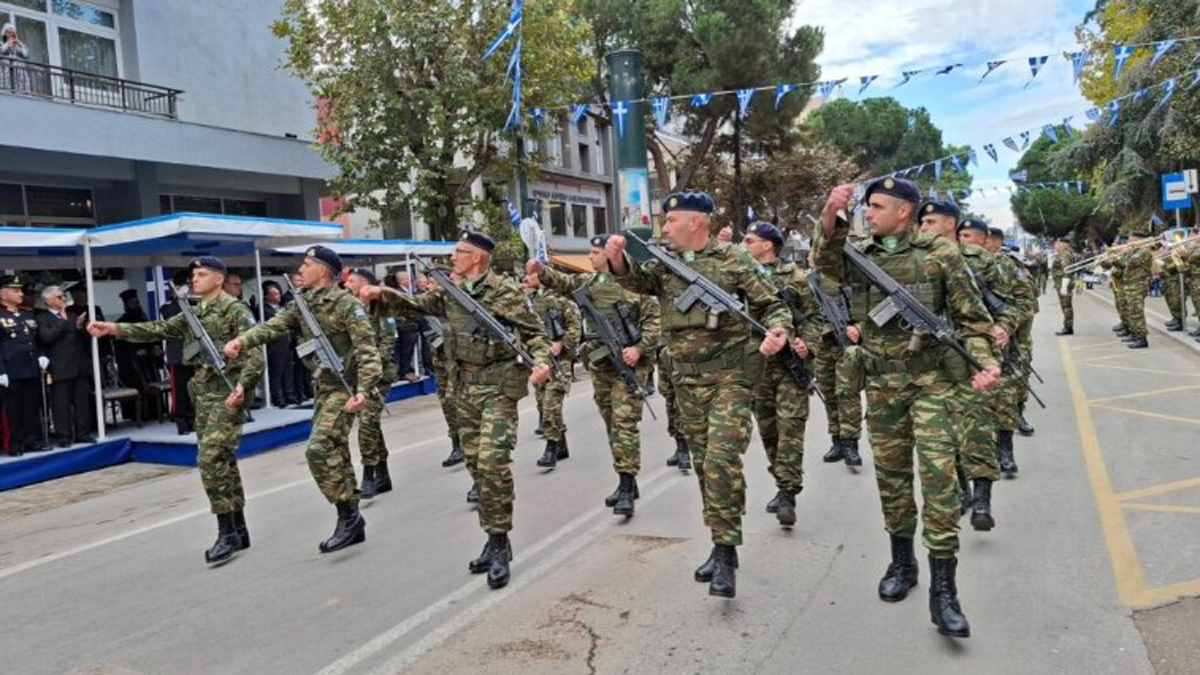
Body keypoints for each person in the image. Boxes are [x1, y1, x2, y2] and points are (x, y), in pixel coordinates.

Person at [814, 178, 1000, 638]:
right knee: (893, 480)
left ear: (904, 212)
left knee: (938, 483)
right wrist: (829, 213)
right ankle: (902, 563)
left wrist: (987, 362)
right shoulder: (859, 254)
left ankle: (944, 592)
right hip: (881, 387)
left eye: (877, 207)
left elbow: (974, 320)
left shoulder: (941, 254)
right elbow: (824, 264)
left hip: (933, 383)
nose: (869, 213)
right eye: (866, 207)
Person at [604, 192, 791, 598]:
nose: (664, 227)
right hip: (687, 383)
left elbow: (771, 303)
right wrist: (617, 257)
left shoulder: (734, 260)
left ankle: (725, 553)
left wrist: (779, 330)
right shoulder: (665, 265)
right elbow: (633, 278)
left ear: (696, 223)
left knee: (722, 461)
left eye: (670, 220)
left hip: (730, 379)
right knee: (706, 465)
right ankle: (721, 538)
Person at [360, 230, 552, 590]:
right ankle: (495, 536)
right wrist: (382, 294)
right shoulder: (451, 291)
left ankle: (498, 544)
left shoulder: (505, 292)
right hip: (463, 387)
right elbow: (415, 306)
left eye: (459, 252)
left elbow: (535, 334)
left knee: (494, 462)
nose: (452, 258)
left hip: (497, 387)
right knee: (476, 464)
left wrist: (541, 362)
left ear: (477, 257)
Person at [89, 257, 264, 564]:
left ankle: (225, 532)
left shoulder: (236, 310)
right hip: (203, 395)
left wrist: (244, 386)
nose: (194, 279)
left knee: (209, 458)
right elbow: (157, 328)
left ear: (219, 279)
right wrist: (114, 328)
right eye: (193, 275)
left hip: (228, 394)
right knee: (222, 460)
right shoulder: (194, 312)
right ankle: (238, 528)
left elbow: (255, 354)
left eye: (201, 274)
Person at [225, 246, 381, 554]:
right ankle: (351, 519)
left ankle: (348, 515)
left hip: (345, 388)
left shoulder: (348, 305)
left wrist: (363, 390)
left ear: (323, 271)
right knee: (335, 449)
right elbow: (274, 326)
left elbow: (368, 352)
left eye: (307, 265)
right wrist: (243, 340)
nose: (301, 270)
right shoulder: (303, 303)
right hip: (322, 387)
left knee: (318, 449)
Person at [530, 234, 661, 515]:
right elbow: (563, 283)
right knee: (611, 421)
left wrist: (639, 349)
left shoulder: (633, 285)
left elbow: (653, 323)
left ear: (608, 256)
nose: (590, 256)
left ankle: (627, 484)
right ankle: (626, 479)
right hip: (601, 365)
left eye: (595, 252)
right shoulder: (587, 283)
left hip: (628, 364)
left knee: (624, 423)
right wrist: (542, 271)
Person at [742, 221, 822, 528]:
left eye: (749, 241)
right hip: (757, 364)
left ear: (767, 245)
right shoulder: (741, 276)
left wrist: (808, 344)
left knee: (790, 429)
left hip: (790, 365)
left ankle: (788, 492)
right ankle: (781, 481)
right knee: (768, 430)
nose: (744, 245)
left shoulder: (795, 277)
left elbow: (815, 316)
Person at [342, 268, 398, 499]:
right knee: (372, 423)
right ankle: (383, 474)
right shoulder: (348, 307)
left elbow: (388, 339)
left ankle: (368, 475)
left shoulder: (381, 306)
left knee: (366, 422)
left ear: (364, 283)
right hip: (355, 374)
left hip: (378, 374)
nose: (347, 285)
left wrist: (372, 367)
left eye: (351, 281)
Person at [521, 267, 581, 472]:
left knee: (550, 404)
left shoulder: (562, 300)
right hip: (540, 361)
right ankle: (561, 443)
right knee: (541, 402)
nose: (526, 278)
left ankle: (551, 448)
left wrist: (562, 344)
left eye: (530, 274)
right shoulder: (530, 302)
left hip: (560, 361)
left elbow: (575, 327)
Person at [36, 285, 92, 448]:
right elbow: (46, 338)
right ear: (49, 300)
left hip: (79, 365)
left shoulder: (73, 316)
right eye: (60, 297)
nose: (64, 300)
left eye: (63, 296)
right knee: (61, 405)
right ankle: (64, 436)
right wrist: (62, 320)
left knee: (82, 403)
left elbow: (85, 340)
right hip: (59, 367)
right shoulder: (42, 318)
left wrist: (81, 327)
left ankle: (83, 433)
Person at [1, 275, 47, 456]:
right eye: (16, 291)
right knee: (13, 409)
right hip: (10, 370)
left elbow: (36, 341)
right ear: (3, 294)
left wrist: (42, 355)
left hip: (30, 367)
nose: (21, 294)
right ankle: (16, 443)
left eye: (20, 291)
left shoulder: (27, 314)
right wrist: (0, 371)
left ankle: (32, 439)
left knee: (31, 406)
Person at [160, 270, 196, 434]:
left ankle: (194, 419)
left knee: (194, 389)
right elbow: (172, 318)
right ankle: (181, 421)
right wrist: (179, 299)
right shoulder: (168, 307)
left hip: (194, 351)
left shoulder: (195, 303)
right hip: (178, 353)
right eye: (187, 285)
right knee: (180, 390)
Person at [260, 280, 294, 408]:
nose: (278, 296)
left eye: (279, 294)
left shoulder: (281, 308)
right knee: (276, 372)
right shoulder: (265, 309)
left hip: (286, 344)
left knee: (287, 370)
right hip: (275, 346)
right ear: (266, 296)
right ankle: (277, 397)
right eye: (274, 294)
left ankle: (288, 394)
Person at [1051, 239, 1076, 336]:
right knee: (1065, 306)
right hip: (1061, 283)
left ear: (1063, 245)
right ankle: (1067, 326)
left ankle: (1068, 327)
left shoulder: (1065, 255)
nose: (1055, 245)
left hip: (1064, 283)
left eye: (1057, 244)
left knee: (1066, 306)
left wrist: (1064, 285)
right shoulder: (1062, 254)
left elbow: (1067, 270)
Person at [1, 23, 31, 94]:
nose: (11, 35)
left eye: (13, 33)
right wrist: (8, 43)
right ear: (5, 34)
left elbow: (26, 54)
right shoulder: (2, 44)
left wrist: (19, 43)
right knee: (6, 89)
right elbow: (1, 50)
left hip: (19, 73)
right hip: (6, 71)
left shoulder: (18, 46)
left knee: (21, 90)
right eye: (9, 32)